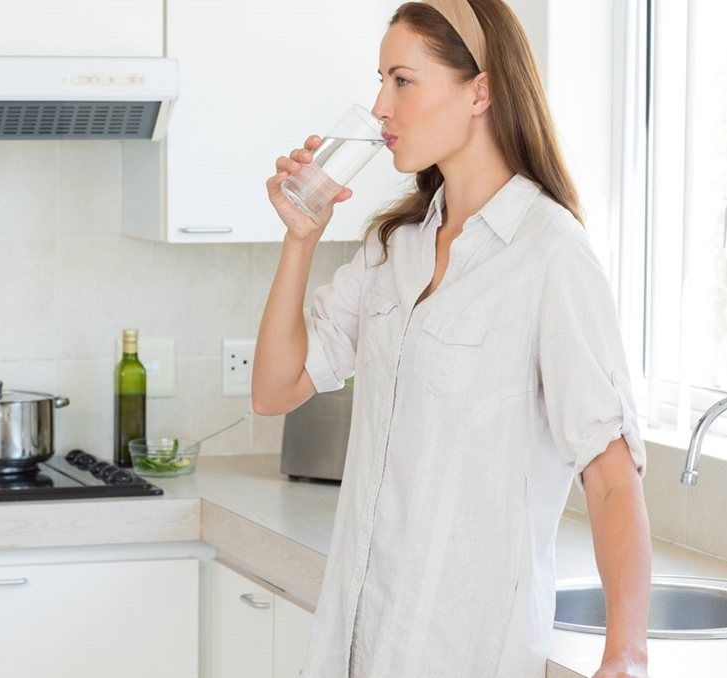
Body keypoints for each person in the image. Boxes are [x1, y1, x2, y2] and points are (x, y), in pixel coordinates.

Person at [253, 1, 651, 676]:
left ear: (481, 92)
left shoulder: (550, 256)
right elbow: (273, 388)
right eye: (381, 80)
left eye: (402, 80)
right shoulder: (394, 249)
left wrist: (626, 656)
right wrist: (300, 240)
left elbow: (611, 478)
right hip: (354, 650)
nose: (380, 105)